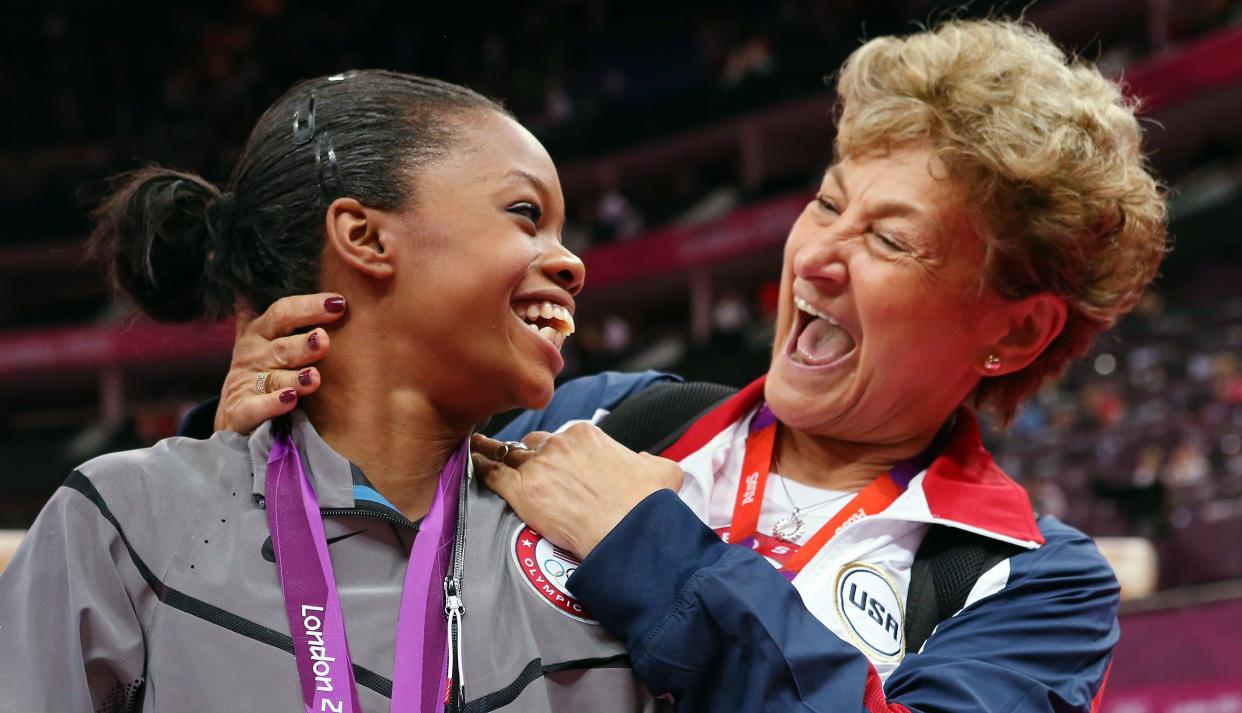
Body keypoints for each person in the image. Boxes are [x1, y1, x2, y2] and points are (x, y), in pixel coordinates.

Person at [212, 20, 1167, 712]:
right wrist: (255, 460)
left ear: (1018, 329)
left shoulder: (1036, 583)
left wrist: (649, 544)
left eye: (890, 238)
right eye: (828, 203)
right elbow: (335, 611)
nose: (818, 254)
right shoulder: (609, 417)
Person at [0, 70, 677, 712]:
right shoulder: (131, 523)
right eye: (526, 213)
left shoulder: (598, 534)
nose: (572, 262)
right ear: (363, 236)